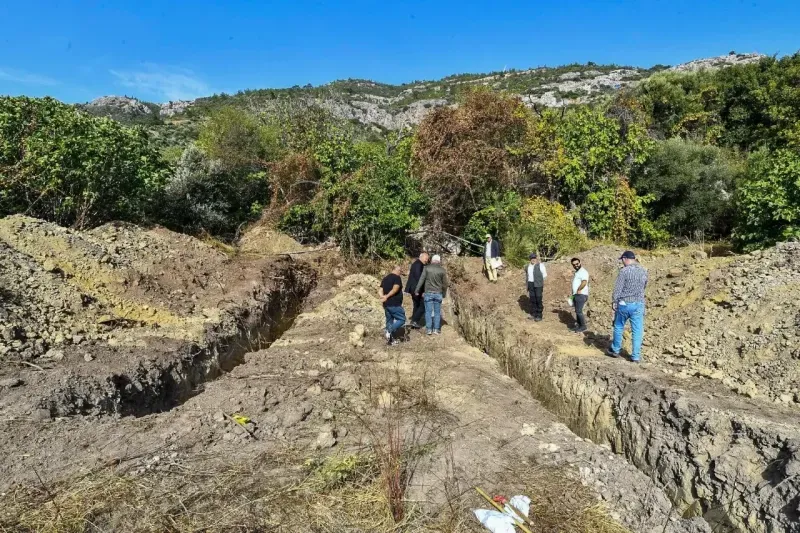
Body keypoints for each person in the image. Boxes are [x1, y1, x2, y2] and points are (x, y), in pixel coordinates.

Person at [608, 251, 648, 362]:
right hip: (639, 304)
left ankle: (615, 350)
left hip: (624, 303)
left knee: (619, 326)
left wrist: (614, 301)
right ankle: (635, 356)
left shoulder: (624, 271)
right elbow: (644, 286)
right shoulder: (644, 271)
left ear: (625, 259)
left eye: (622, 259)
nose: (622, 262)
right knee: (637, 330)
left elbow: (618, 289)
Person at [415, 254, 449, 335]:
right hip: (438, 293)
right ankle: (436, 329)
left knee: (428, 312)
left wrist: (417, 290)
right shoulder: (442, 270)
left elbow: (421, 280)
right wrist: (443, 294)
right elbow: (445, 284)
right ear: (439, 261)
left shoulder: (426, 268)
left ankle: (429, 329)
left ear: (432, 260)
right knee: (437, 312)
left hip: (428, 293)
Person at [378, 265, 406, 346]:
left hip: (386, 304)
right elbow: (395, 289)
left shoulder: (385, 278)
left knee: (389, 320)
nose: (401, 273)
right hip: (394, 303)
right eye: (401, 272)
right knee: (402, 319)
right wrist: (386, 296)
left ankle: (391, 340)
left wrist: (382, 297)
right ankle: (389, 331)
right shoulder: (397, 278)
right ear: (398, 270)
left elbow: (380, 290)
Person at [405, 252, 429, 329]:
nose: (427, 260)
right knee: (423, 305)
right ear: (421, 257)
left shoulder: (416, 264)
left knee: (417, 305)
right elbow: (419, 278)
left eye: (427, 259)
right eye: (426, 258)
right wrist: (422, 291)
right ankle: (414, 320)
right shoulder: (419, 265)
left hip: (414, 288)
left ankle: (414, 322)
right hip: (416, 289)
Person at [570, 257, 590, 333]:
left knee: (579, 311)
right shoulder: (577, 272)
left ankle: (583, 326)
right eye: (574, 265)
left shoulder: (583, 272)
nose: (576, 265)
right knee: (577, 311)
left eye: (577, 264)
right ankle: (578, 326)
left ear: (580, 262)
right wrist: (572, 296)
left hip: (581, 294)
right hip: (576, 295)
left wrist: (579, 290)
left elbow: (584, 282)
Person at [525, 253, 547, 321]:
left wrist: (539, 281)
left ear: (536, 259)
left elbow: (545, 275)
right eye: (532, 258)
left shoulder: (540, 265)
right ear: (530, 259)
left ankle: (539, 315)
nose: (533, 259)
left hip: (538, 285)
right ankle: (534, 314)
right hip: (530, 284)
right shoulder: (527, 266)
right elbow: (527, 275)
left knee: (538, 299)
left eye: (534, 258)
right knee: (533, 300)